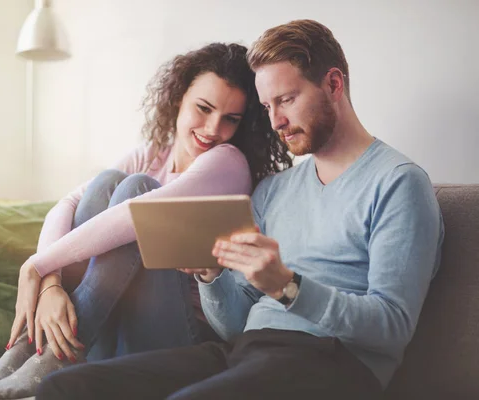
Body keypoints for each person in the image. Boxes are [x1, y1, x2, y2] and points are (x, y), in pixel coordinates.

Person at [35, 19, 445, 400]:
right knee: (63, 388)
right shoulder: (273, 191)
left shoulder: (399, 183)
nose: (277, 121)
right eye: (267, 107)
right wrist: (212, 276)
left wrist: (288, 286)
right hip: (243, 351)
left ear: (334, 84)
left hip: (331, 362)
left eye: (286, 100)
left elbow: (392, 327)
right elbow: (233, 324)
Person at [0, 42, 292, 399]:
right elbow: (68, 202)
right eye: (204, 108)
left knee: (135, 192)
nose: (214, 128)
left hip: (178, 341)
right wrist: (50, 284)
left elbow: (136, 217)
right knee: (108, 182)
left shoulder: (228, 162)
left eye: (231, 119)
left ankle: (54, 353)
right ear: (179, 98)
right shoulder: (150, 154)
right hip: (114, 331)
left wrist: (37, 265)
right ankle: (41, 347)